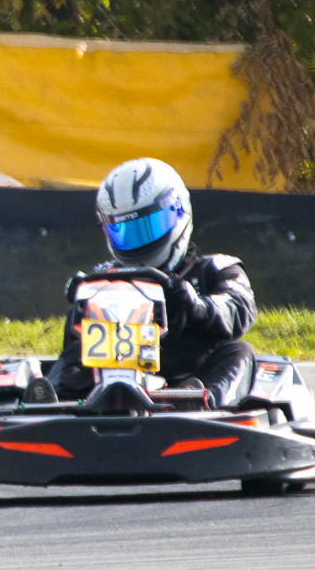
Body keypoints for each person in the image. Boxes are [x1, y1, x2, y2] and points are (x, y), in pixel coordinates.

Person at [48, 156, 256, 407]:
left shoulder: (215, 269)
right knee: (76, 351)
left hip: (191, 380)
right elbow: (74, 343)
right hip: (112, 379)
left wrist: (196, 305)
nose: (139, 242)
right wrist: (83, 301)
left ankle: (202, 404)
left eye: (148, 226)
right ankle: (50, 401)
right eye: (126, 232)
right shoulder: (107, 279)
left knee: (240, 352)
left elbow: (238, 308)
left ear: (178, 209)